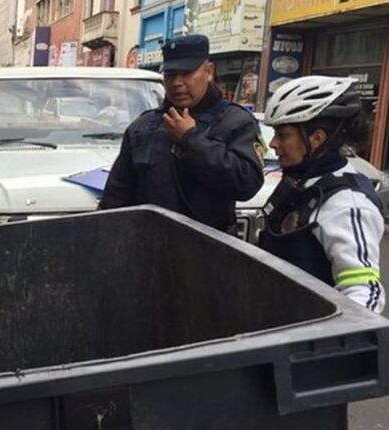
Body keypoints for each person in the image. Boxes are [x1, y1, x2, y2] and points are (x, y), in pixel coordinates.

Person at [100, 34, 264, 233]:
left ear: (209, 71)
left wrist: (190, 139)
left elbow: (247, 184)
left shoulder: (236, 122)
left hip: (209, 251)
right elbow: (116, 197)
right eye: (170, 75)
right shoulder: (143, 128)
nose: (177, 83)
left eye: (186, 73)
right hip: (149, 248)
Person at [260, 76, 384, 313]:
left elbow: (364, 292)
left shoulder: (348, 204)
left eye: (283, 135)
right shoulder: (303, 181)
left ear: (317, 138)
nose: (273, 144)